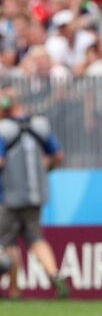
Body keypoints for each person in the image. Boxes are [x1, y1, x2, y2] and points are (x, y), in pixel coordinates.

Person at [0, 86, 68, 299]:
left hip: (9, 196)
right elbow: (57, 155)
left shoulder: (2, 129)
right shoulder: (40, 124)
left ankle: (14, 290)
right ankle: (54, 274)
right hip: (36, 194)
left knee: (8, 242)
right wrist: (45, 170)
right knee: (36, 238)